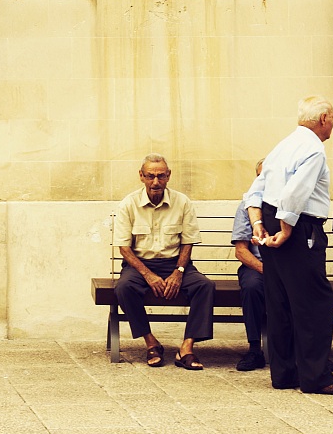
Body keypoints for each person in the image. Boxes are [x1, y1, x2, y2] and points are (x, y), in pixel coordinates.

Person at [244, 96, 333, 395]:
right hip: (299, 226)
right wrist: (287, 228)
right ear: (324, 119)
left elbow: (255, 190)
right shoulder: (313, 149)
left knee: (280, 302)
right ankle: (317, 378)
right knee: (314, 304)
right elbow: (295, 193)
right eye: (332, 119)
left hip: (270, 220)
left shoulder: (283, 145)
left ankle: (284, 373)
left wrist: (258, 224)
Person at [113, 154, 216, 369]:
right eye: (150, 176)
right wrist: (148, 275)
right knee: (124, 287)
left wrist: (179, 271)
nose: (156, 182)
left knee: (204, 286)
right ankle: (151, 343)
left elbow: (188, 242)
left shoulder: (182, 202)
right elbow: (124, 248)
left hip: (175, 263)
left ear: (168, 176)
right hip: (140, 265)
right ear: (141, 176)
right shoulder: (129, 204)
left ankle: (187, 347)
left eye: (161, 176)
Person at [230, 160, 266, 371]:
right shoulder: (247, 206)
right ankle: (254, 349)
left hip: (287, 267)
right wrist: (267, 271)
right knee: (252, 287)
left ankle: (307, 351)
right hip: (256, 266)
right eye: (261, 177)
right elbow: (241, 251)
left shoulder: (289, 203)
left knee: (304, 287)